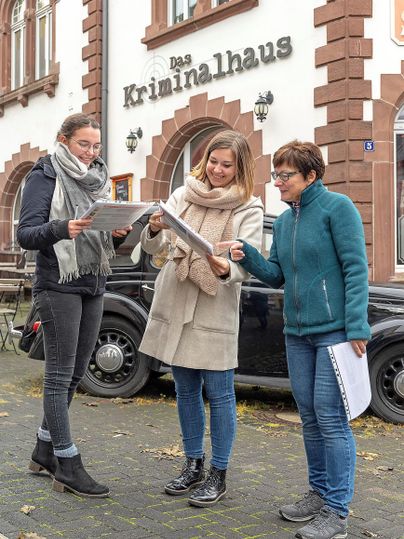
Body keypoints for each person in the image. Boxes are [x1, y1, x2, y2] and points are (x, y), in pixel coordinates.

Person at [228, 140, 370, 539]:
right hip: (296, 333)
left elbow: (356, 269)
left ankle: (337, 513)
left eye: (284, 175)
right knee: (308, 417)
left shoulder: (337, 208)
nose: (277, 182)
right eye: (275, 174)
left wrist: (357, 326)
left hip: (335, 331)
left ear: (310, 176)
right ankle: (319, 494)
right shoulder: (287, 220)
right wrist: (248, 254)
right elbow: (275, 275)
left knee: (331, 418)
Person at [139, 130, 263, 507]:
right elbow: (155, 248)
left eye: (227, 164)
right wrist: (156, 228)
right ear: (204, 158)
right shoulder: (182, 194)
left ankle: (218, 474)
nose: (218, 169)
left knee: (221, 393)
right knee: (184, 389)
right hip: (176, 299)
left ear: (239, 167)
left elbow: (249, 263)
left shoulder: (248, 206)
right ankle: (193, 465)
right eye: (213, 161)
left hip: (213, 305)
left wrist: (225, 266)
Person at [17, 113, 131, 498]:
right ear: (63, 139)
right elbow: (26, 234)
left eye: (96, 145)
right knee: (59, 374)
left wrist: (115, 233)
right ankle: (66, 462)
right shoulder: (44, 175)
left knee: (78, 370)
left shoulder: (98, 178)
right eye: (84, 144)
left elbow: (101, 242)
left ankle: (42, 449)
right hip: (57, 284)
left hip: (93, 281)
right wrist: (62, 228)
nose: (91, 152)